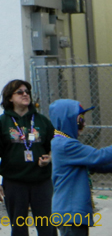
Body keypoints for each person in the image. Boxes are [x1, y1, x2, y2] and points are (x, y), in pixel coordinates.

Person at [0, 79, 55, 236]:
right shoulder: (1, 123)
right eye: (20, 92)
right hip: (15, 183)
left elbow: (53, 146)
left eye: (27, 92)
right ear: (10, 98)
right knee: (19, 228)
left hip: (41, 182)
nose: (25, 94)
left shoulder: (41, 121)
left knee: (47, 228)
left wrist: (49, 158)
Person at [49, 99, 112, 236]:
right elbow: (99, 156)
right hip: (70, 213)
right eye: (80, 120)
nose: (84, 124)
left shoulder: (64, 142)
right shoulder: (65, 145)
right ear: (67, 119)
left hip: (72, 213)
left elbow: (97, 165)